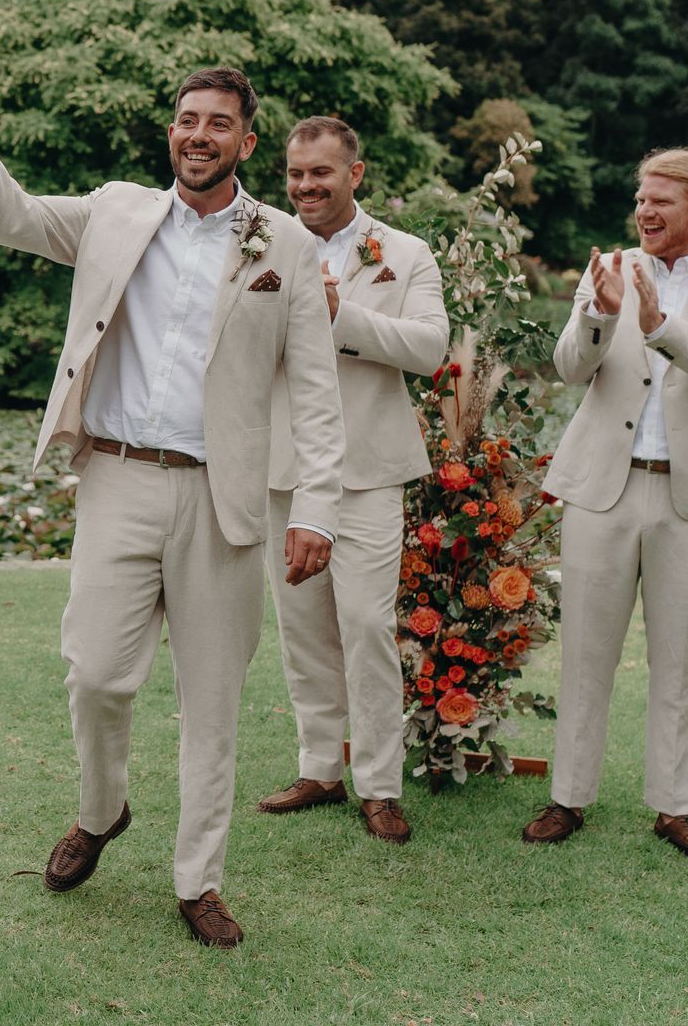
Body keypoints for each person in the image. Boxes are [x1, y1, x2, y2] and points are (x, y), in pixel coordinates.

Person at [0, 52, 344, 948]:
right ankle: (102, 811)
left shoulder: (284, 245)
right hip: (115, 476)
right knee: (98, 675)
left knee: (213, 698)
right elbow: (9, 216)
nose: (199, 135)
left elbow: (315, 390)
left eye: (218, 123)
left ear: (246, 140)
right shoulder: (116, 212)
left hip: (223, 497)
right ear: (171, 130)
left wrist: (315, 508)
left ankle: (199, 880)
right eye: (188, 120)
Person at [525, 150, 688, 867]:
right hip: (603, 486)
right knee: (586, 654)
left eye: (661, 200)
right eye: (640, 198)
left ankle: (676, 808)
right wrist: (601, 314)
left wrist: (663, 324)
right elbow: (572, 366)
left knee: (680, 659)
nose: (645, 211)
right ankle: (568, 797)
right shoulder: (609, 268)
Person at [258, 117, 448, 844]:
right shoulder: (262, 244)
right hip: (284, 463)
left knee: (367, 625)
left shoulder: (404, 253)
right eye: (296, 174)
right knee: (302, 627)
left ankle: (378, 783)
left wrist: (343, 315)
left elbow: (431, 349)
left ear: (355, 174)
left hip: (368, 469)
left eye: (321, 174)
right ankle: (318, 768)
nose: (306, 186)